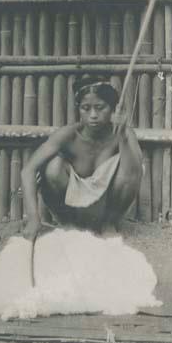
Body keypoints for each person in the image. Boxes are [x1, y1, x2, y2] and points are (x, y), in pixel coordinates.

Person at [21, 75, 143, 240]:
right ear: (78, 109)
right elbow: (28, 170)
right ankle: (69, 224)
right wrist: (33, 218)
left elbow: (134, 173)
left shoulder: (124, 134)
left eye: (100, 107)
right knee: (53, 166)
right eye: (86, 108)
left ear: (113, 109)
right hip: (73, 210)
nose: (93, 115)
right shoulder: (68, 135)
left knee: (133, 165)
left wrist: (123, 138)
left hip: (105, 208)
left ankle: (108, 224)